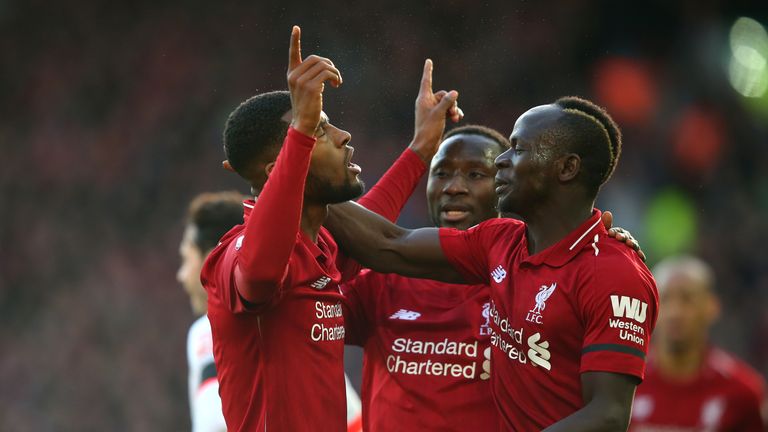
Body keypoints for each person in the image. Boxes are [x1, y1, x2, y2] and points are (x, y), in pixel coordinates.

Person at [325, 97, 659, 431]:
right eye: (441, 172)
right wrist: (301, 169)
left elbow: (609, 415)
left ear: (567, 168)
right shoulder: (500, 243)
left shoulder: (614, 273)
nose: (502, 161)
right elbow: (387, 242)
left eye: (518, 149)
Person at [201, 26, 462, 431]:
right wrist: (301, 132)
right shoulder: (233, 254)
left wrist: (420, 150)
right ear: (286, 162)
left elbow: (369, 232)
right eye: (322, 129)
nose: (343, 136)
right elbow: (259, 274)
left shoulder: (321, 248)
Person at [629, 255, 766, 431]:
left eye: (687, 300)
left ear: (712, 307)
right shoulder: (625, 383)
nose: (675, 312)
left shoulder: (742, 392)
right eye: (665, 299)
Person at [177, 191, 244, 432]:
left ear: (211, 259)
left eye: (186, 259)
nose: (181, 275)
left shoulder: (207, 331)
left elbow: (214, 423)